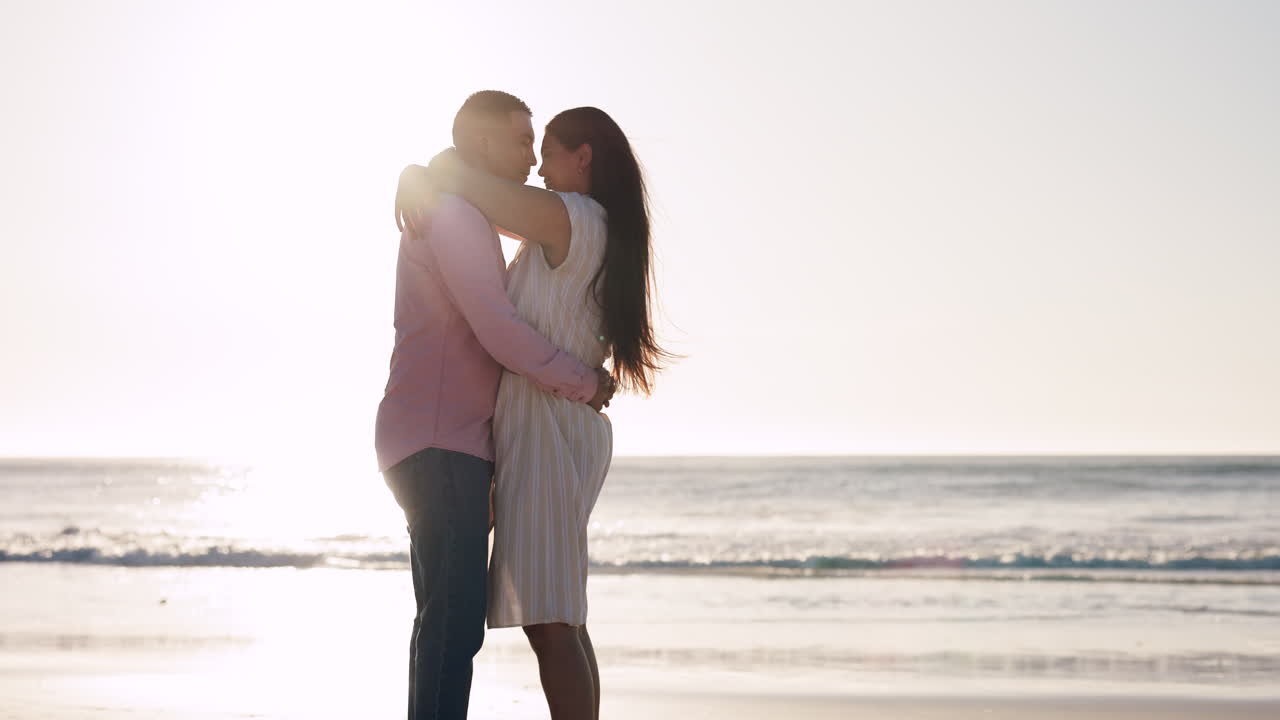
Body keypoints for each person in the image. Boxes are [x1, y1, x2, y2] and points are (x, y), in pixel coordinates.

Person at [396, 105, 669, 720]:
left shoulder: (568, 216)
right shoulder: (589, 225)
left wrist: (426, 170)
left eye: (546, 152)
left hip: (550, 423)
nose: (540, 170)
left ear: (584, 158)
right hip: (552, 425)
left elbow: (470, 186)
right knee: (562, 616)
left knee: (551, 621)